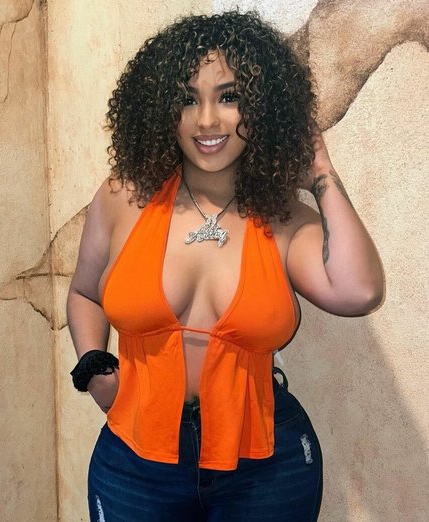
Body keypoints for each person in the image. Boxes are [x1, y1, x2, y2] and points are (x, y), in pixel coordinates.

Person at [66, 11, 384, 522]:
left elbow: (359, 292)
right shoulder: (123, 197)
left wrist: (322, 174)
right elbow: (85, 292)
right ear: (162, 109)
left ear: (261, 106)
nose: (207, 120)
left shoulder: (283, 218)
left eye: (229, 96)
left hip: (266, 465)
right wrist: (94, 367)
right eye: (188, 99)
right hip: (135, 463)